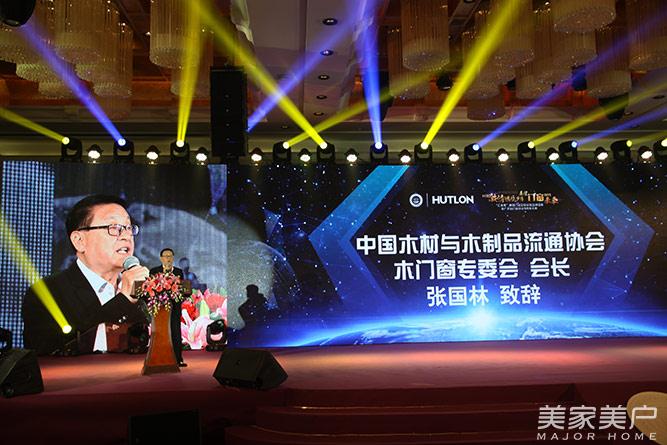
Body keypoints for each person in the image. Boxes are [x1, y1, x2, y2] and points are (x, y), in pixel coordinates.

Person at [22, 194, 150, 356]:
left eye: (129, 227)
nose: (126, 236)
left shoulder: (143, 290)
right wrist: (123, 301)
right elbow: (50, 351)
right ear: (79, 241)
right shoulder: (47, 293)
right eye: (114, 228)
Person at [150, 248, 187, 367]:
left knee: (176, 332)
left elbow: (183, 289)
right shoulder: (154, 271)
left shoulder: (178, 272)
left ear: (173, 258)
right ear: (161, 258)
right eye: (166, 256)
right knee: (160, 333)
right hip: (159, 308)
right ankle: (159, 358)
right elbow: (150, 288)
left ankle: (178, 359)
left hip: (174, 307)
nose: (168, 258)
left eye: (170, 256)